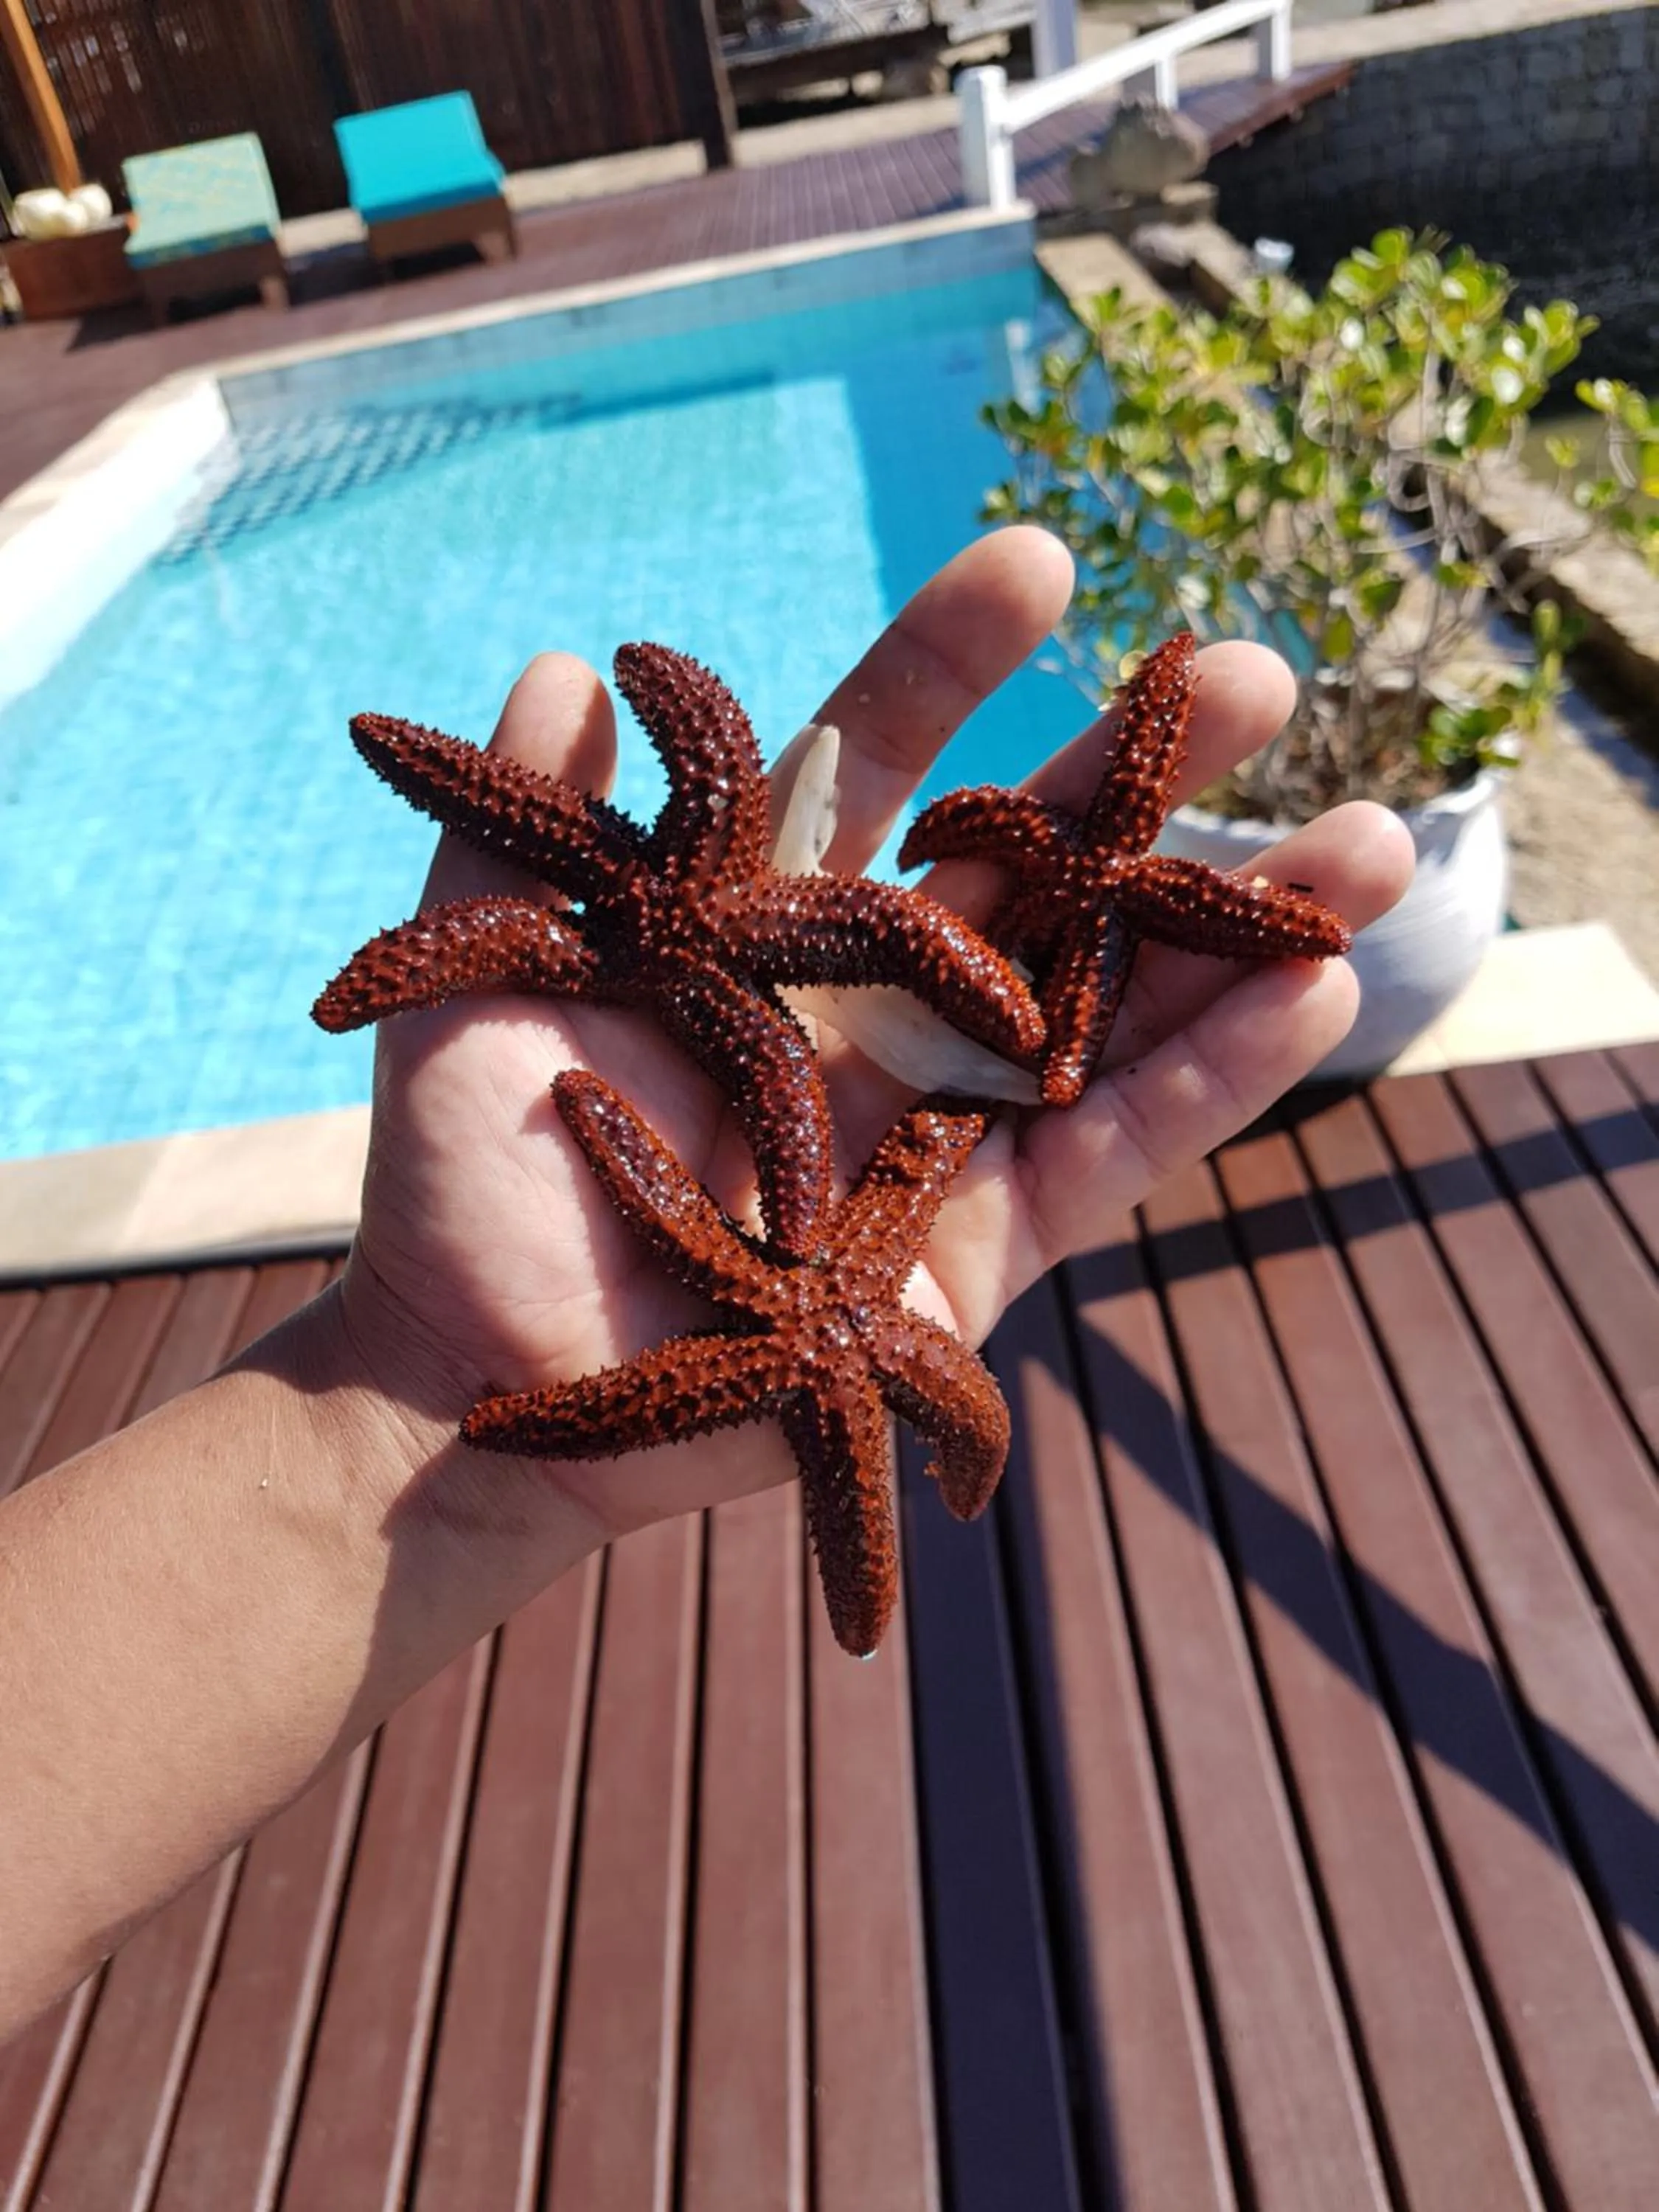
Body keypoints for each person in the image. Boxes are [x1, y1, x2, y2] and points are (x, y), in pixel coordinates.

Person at [0, 529, 1412, 2039]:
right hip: (749, 1068)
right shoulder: (703, 970)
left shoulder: (714, 973)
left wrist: (412, 1406)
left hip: (762, 1073)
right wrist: (424, 1394)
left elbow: (847, 962)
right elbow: (828, 970)